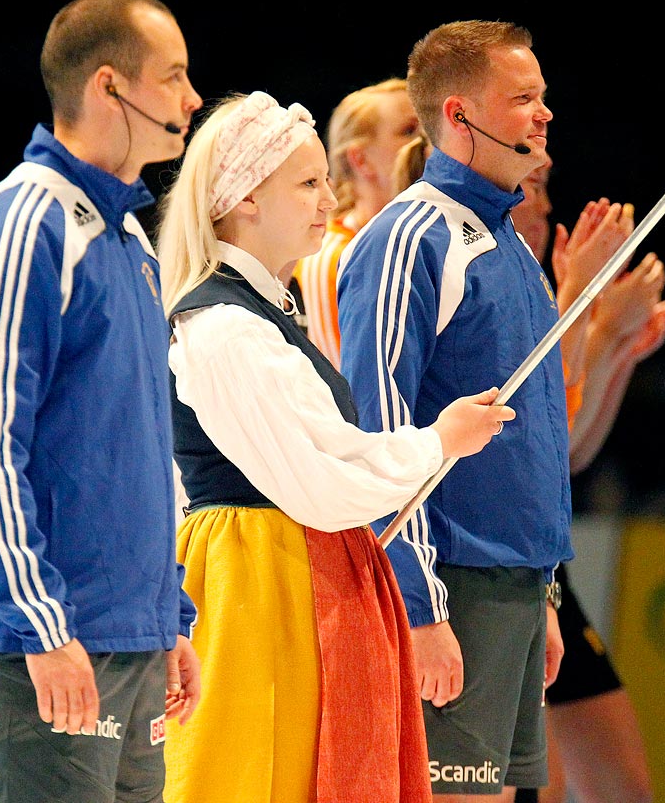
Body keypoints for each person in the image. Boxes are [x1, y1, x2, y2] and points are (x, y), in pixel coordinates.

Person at [154, 90, 515, 803]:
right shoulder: (226, 327)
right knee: (256, 775)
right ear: (246, 198)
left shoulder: (259, 316)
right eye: (308, 183)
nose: (329, 198)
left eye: (325, 179)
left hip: (284, 570)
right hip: (260, 584)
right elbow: (322, 480)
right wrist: (438, 442)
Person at [0, 0, 203, 803]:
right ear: (110, 88)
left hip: (125, 638)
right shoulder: (25, 227)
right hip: (44, 640)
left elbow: (139, 448)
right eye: (176, 77)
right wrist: (42, 627)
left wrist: (166, 618)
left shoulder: (128, 243)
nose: (193, 99)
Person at [337, 19, 573, 800]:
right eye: (523, 98)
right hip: (448, 585)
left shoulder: (509, 246)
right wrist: (419, 608)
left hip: (507, 586)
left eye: (542, 97)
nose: (544, 113)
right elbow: (379, 430)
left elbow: (531, 442)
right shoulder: (410, 236)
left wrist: (541, 592)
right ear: (459, 116)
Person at [508, 159, 665, 803]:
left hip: (543, 564)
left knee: (622, 787)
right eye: (531, 191)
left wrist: (617, 350)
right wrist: (588, 311)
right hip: (488, 564)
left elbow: (566, 452)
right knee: (541, 786)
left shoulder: (532, 286)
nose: (545, 207)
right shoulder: (478, 281)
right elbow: (520, 433)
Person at [294, 77, 425, 368]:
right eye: (409, 131)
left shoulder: (426, 243)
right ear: (360, 159)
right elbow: (344, 393)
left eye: (428, 129)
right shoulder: (328, 258)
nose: (426, 144)